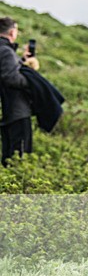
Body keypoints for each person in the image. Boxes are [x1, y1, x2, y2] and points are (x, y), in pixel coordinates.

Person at [0, 16, 37, 166]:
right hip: (16, 111)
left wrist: (22, 61)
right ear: (12, 32)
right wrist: (31, 79)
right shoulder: (6, 51)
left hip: (9, 110)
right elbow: (11, 78)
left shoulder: (5, 50)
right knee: (18, 157)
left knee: (9, 155)